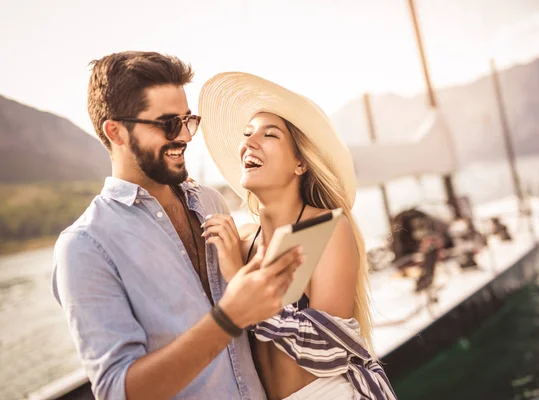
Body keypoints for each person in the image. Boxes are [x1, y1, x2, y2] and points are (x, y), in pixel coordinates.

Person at [51, 52, 304, 400]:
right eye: (169, 123)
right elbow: (117, 391)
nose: (184, 136)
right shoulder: (85, 247)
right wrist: (228, 318)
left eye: (188, 120)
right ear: (116, 131)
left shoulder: (210, 202)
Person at [198, 72, 397, 399]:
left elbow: (329, 353)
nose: (249, 141)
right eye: (247, 134)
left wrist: (238, 283)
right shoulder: (242, 243)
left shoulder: (325, 229)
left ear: (300, 162)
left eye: (269, 134)